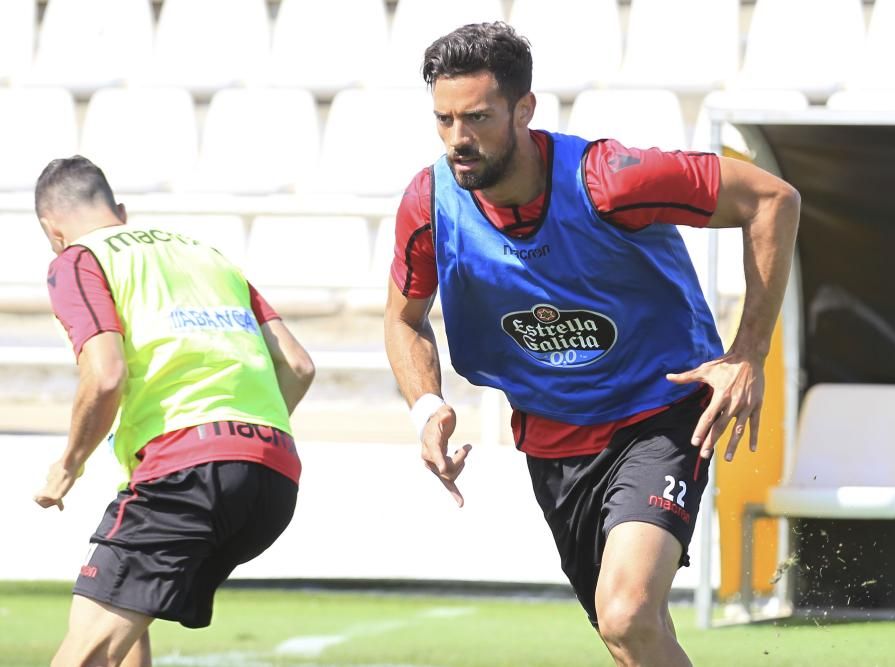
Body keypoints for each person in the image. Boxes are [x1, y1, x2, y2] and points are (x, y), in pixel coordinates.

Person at [383, 22, 800, 667]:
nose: (458, 140)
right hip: (552, 440)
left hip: (659, 413)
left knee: (627, 614)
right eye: (444, 121)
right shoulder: (430, 202)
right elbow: (404, 319)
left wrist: (749, 351)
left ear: (525, 109)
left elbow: (772, 199)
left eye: (477, 118)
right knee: (629, 636)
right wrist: (425, 405)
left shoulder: (609, 178)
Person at [33, 156, 315, 667]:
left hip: (187, 470)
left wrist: (67, 465)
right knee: (112, 609)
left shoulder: (79, 259)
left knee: (86, 652)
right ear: (120, 209)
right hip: (274, 477)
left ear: (53, 232)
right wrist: (241, 443)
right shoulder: (208, 256)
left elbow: (106, 375)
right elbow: (297, 365)